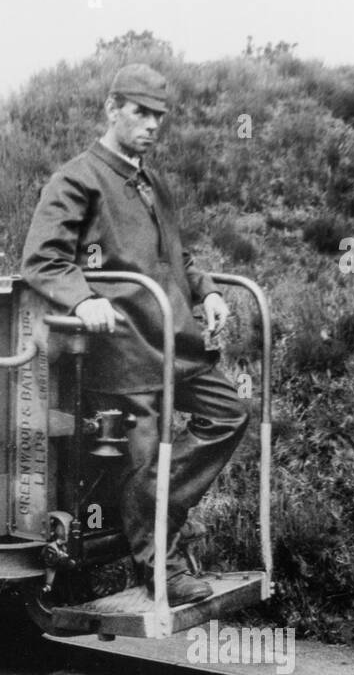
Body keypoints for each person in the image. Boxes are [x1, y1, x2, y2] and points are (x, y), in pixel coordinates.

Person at [21, 63, 249, 605]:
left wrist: (207, 291)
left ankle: (150, 516)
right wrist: (85, 299)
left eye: (159, 116)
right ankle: (160, 570)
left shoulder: (151, 181)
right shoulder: (76, 179)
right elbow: (43, 260)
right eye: (140, 113)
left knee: (231, 414)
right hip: (122, 351)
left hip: (176, 343)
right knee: (147, 458)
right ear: (112, 109)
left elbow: (177, 255)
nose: (152, 125)